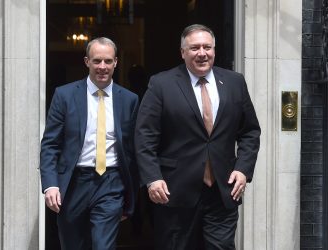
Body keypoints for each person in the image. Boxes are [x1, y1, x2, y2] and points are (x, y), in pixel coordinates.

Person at [135, 24, 261, 250]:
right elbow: (145, 136)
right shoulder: (161, 84)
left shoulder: (234, 82)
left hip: (222, 190)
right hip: (175, 192)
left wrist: (243, 169)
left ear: (214, 50)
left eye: (207, 47)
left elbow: (250, 131)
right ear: (182, 52)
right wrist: (152, 178)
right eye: (194, 48)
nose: (202, 53)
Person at [40, 37, 139, 250]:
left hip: (111, 182)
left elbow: (132, 148)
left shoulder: (129, 99)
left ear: (116, 63)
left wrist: (132, 191)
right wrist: (50, 184)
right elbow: (50, 144)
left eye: (107, 61)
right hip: (73, 183)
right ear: (87, 62)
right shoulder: (64, 95)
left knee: (103, 246)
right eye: (96, 61)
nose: (102, 67)